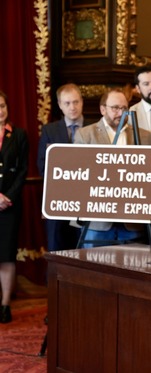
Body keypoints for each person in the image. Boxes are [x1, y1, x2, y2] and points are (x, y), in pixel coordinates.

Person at [74, 88, 151, 247]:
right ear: (102, 109)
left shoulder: (144, 136)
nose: (120, 112)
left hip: (132, 220)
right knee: (93, 269)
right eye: (115, 108)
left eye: (124, 108)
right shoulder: (85, 135)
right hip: (97, 222)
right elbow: (78, 176)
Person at [37, 83, 85, 251]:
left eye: (76, 102)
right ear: (59, 105)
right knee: (57, 249)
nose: (72, 107)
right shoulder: (50, 130)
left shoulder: (95, 128)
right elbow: (43, 165)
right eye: (67, 103)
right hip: (58, 201)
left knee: (84, 251)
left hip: (85, 201)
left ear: (82, 102)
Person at [0, 90, 29, 323]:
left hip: (9, 205)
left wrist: (6, 196)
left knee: (7, 255)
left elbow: (22, 171)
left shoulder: (19, 135)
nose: (0, 111)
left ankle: (5, 304)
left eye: (2, 106)